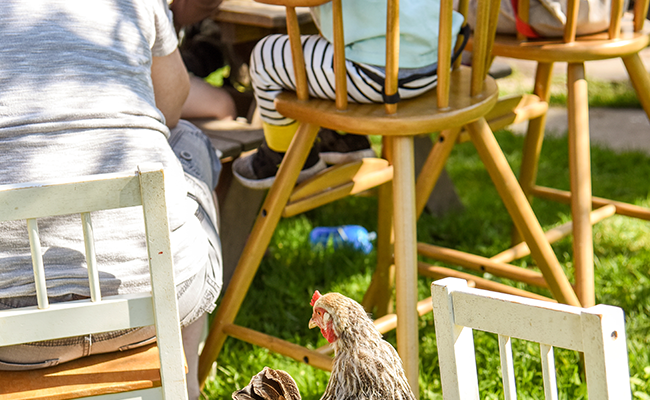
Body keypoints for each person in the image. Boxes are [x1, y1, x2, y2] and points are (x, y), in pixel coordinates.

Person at [0, 1, 221, 399]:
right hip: (152, 307)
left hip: (11, 333)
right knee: (188, 141)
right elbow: (171, 107)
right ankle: (185, 382)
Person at [232, 0, 467, 189]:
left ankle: (283, 154)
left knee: (267, 56)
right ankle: (343, 138)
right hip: (438, 61)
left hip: (379, 72)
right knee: (318, 51)